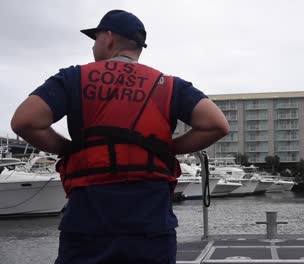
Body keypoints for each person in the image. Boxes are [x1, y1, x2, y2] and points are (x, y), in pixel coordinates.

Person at [11, 10, 229, 264]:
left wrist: (71, 148)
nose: (94, 46)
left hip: (89, 217)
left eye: (95, 38)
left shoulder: (75, 78)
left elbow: (24, 121)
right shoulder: (168, 85)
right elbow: (217, 125)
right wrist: (164, 149)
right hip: (150, 221)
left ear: (109, 38)